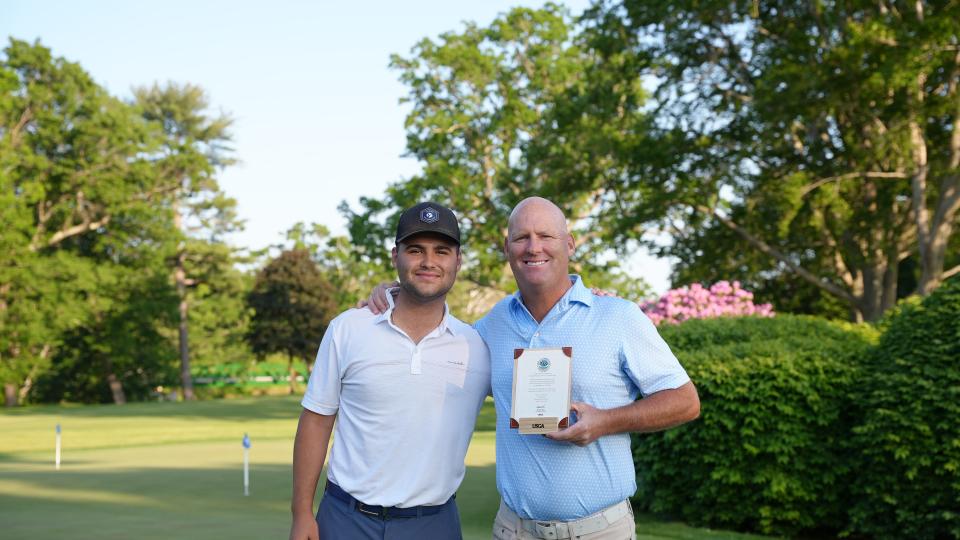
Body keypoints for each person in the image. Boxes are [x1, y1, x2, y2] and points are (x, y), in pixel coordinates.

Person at [366, 197, 699, 540]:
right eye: (522, 237)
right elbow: (436, 341)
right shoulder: (490, 327)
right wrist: (394, 293)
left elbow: (686, 401)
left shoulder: (617, 316)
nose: (533, 246)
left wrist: (606, 421)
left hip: (601, 531)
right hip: (514, 531)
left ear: (568, 244)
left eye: (545, 236)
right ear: (507, 248)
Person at [290, 202, 491, 540]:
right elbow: (316, 420)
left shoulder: (477, 345)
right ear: (395, 255)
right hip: (346, 519)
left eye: (442, 251)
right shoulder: (348, 328)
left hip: (434, 524)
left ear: (458, 261)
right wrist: (301, 514)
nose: (428, 262)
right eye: (416, 250)